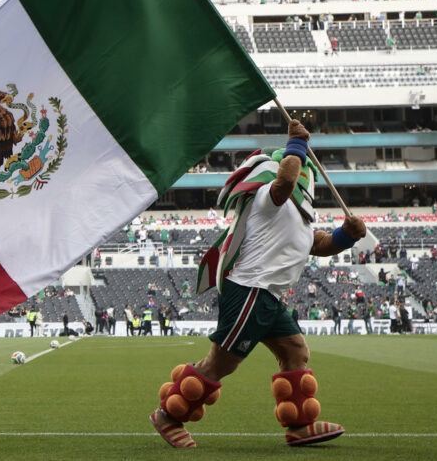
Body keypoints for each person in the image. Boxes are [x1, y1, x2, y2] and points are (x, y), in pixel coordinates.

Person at [150, 120, 366, 449]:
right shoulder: (267, 196)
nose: (305, 178)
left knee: (296, 352)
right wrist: (296, 145)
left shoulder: (302, 215)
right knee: (220, 364)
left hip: (269, 296)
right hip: (250, 289)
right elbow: (284, 183)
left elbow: (319, 245)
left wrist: (346, 237)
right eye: (300, 169)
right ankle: (168, 415)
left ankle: (298, 426)